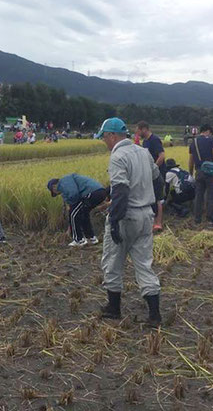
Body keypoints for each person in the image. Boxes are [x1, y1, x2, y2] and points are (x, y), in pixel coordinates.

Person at [96, 117, 161, 327]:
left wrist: (114, 221)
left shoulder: (118, 157)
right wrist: (154, 206)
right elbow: (157, 178)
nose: (104, 142)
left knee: (113, 261)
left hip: (127, 216)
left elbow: (121, 191)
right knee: (144, 264)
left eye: (104, 138)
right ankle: (154, 315)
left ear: (112, 136)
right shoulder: (143, 152)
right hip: (146, 216)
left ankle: (114, 308)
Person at [47, 174, 107, 247]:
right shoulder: (67, 181)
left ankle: (78, 240)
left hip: (91, 193)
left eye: (54, 192)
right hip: (100, 192)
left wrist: (71, 205)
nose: (58, 193)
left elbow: (74, 194)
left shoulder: (63, 182)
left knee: (72, 214)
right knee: (84, 214)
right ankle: (91, 238)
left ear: (54, 187)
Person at [188, 124, 213, 225]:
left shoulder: (194, 142)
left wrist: (190, 173)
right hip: (211, 172)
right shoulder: (211, 140)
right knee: (211, 196)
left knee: (199, 196)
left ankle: (197, 219)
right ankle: (210, 220)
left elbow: (191, 160)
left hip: (199, 171)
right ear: (208, 131)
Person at [136, 121, 166, 232]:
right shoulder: (145, 142)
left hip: (157, 174)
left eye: (138, 130)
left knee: (157, 199)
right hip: (149, 175)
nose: (137, 133)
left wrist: (154, 168)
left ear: (144, 129)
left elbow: (162, 156)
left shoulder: (154, 139)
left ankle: (158, 223)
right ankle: (151, 221)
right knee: (150, 197)